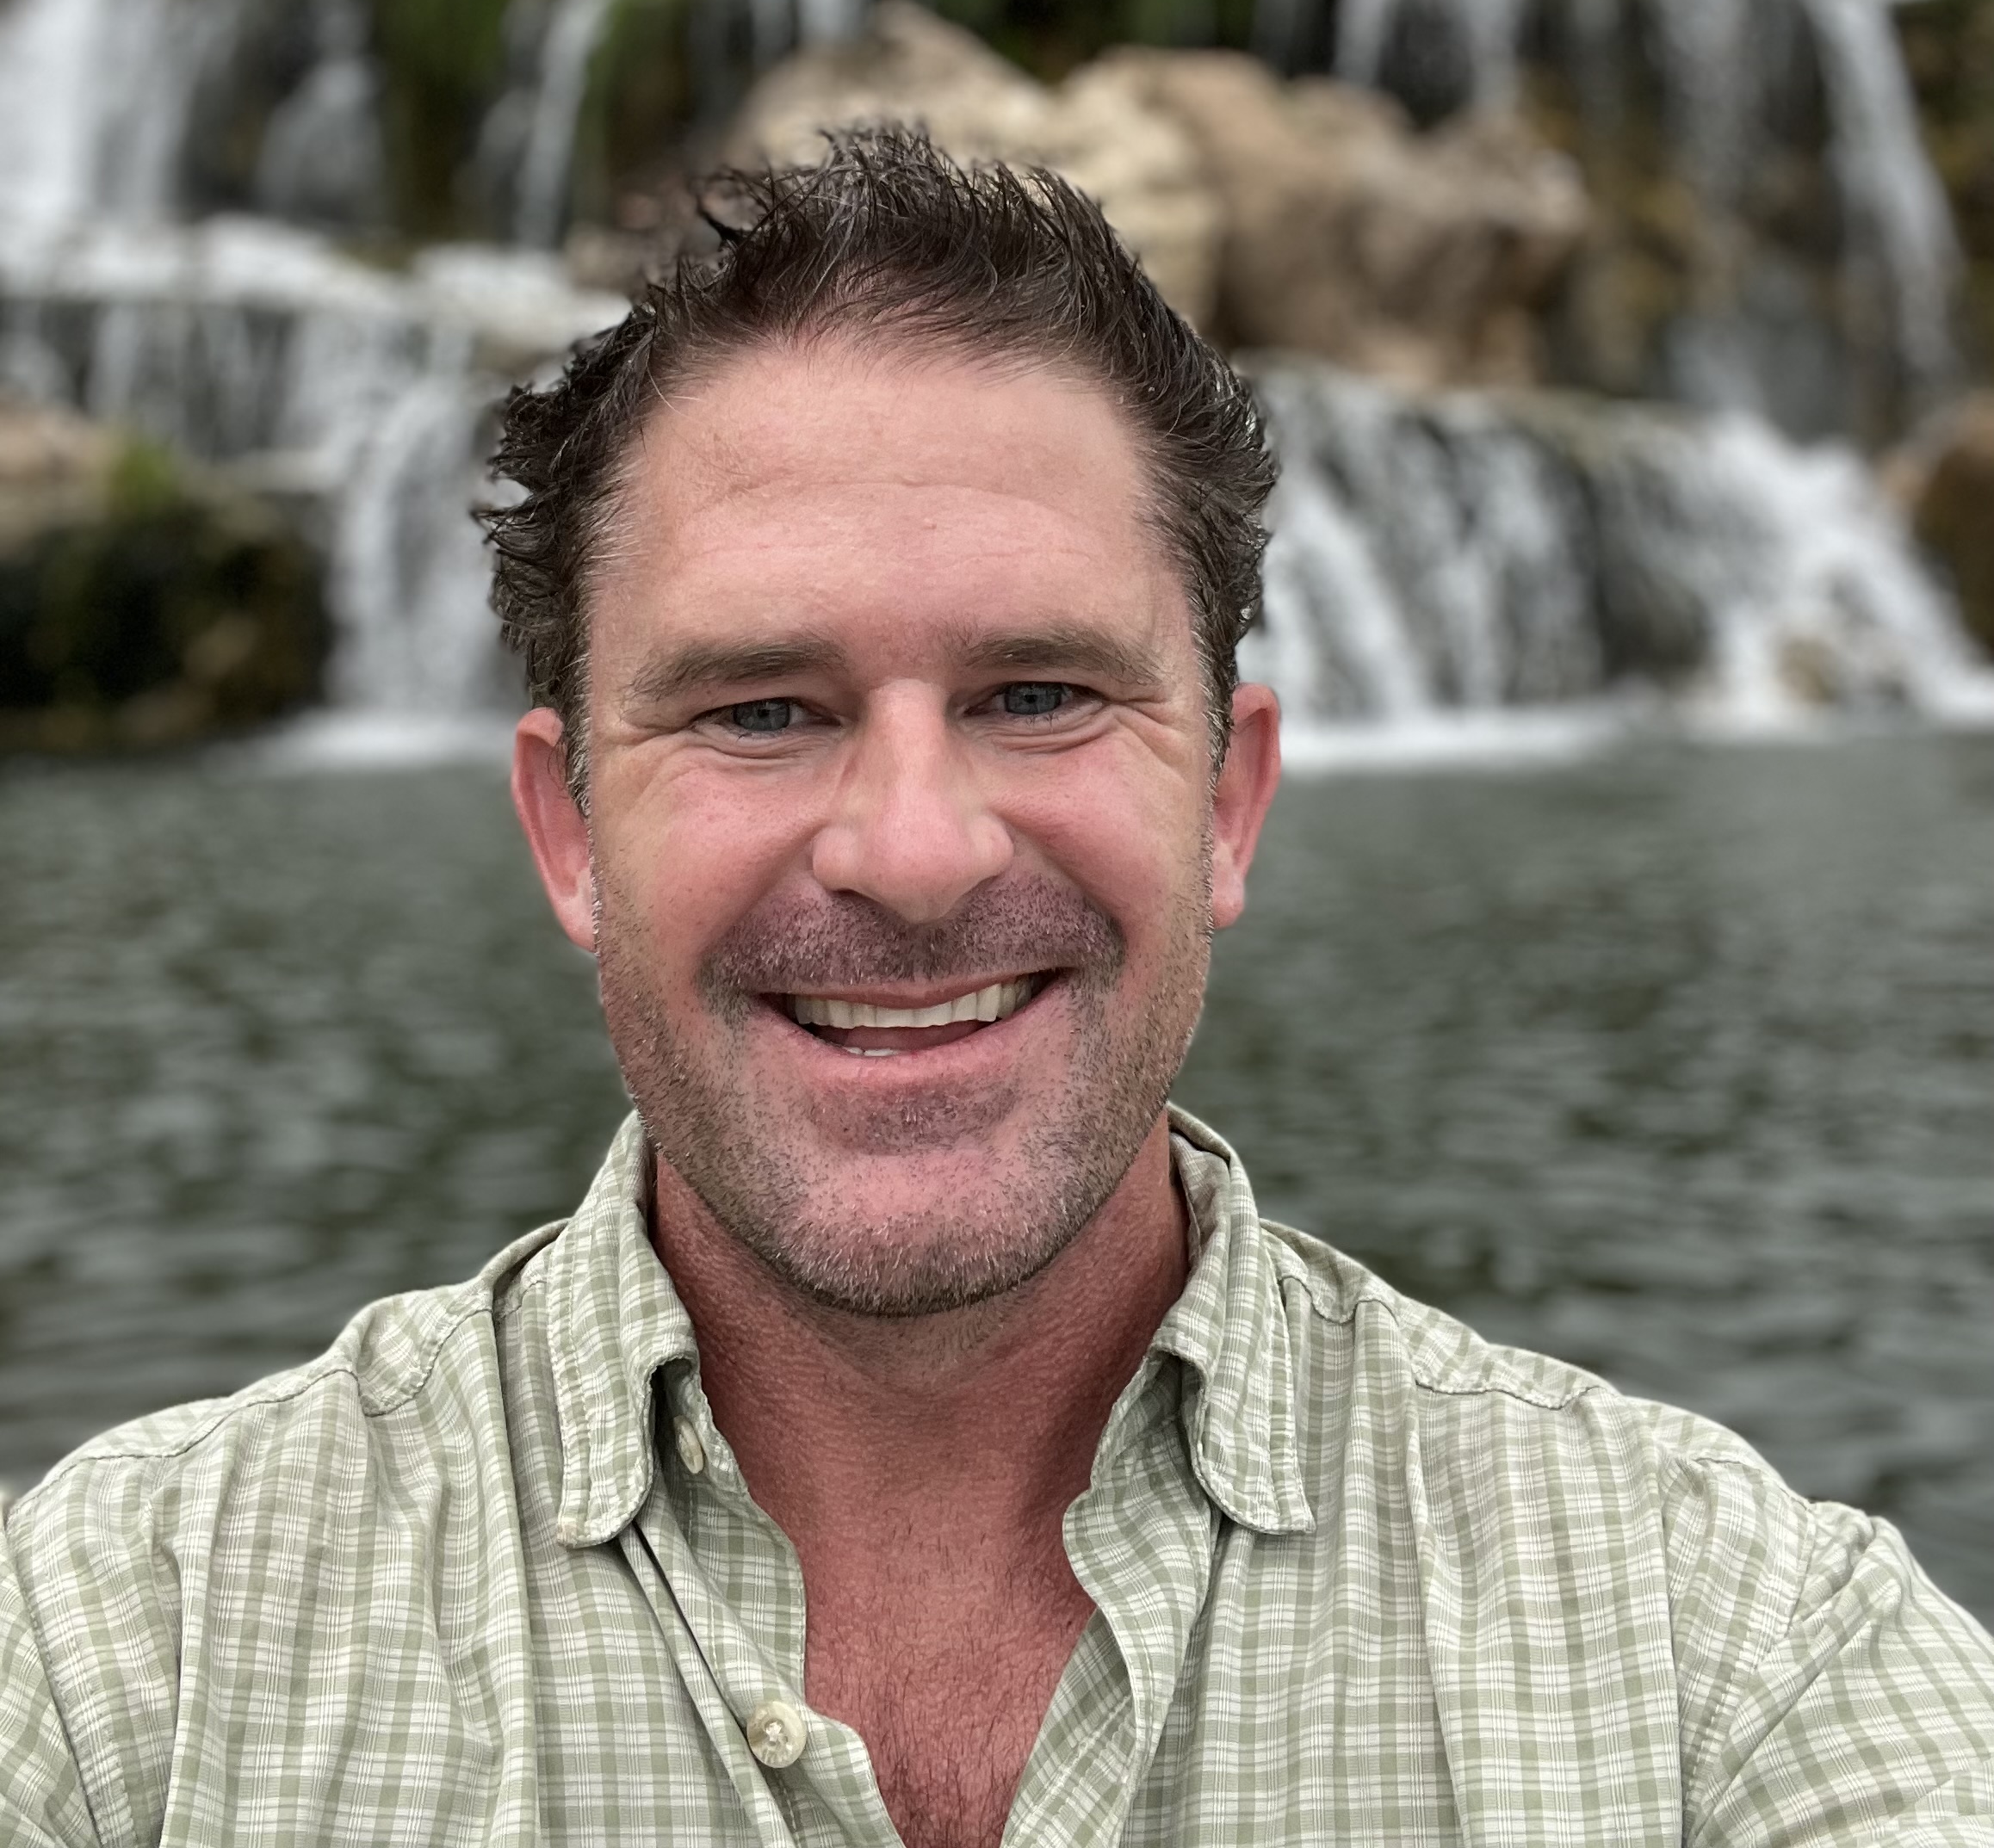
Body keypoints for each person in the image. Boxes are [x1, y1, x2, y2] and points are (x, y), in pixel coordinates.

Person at [3, 133, 1991, 1848]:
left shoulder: (1732, 1659)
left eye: (1038, 692)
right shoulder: (115, 1666)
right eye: (760, 707)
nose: (916, 846)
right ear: (570, 830)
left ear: (1228, 800)